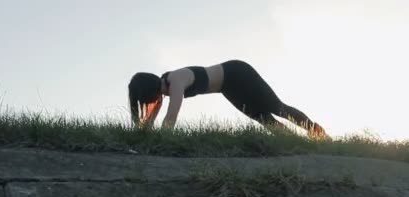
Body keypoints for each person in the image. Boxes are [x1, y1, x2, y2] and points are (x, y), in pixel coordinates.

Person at [128, 59, 329, 139]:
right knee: (263, 118)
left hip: (237, 73)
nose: (148, 103)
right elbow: (151, 120)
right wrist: (144, 137)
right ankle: (292, 142)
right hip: (228, 88)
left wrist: (162, 141)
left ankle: (319, 135)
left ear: (150, 89)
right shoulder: (164, 91)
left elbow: (171, 117)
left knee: (278, 108)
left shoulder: (175, 80)